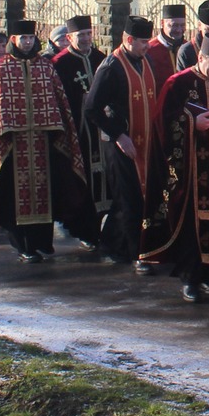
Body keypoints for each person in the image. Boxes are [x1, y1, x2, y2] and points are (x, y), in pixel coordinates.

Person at [0, 20, 90, 263]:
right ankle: (23, 245)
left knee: (45, 192)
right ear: (13, 40)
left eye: (30, 38)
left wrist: (60, 133)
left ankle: (42, 242)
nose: (27, 42)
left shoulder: (45, 67)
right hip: (12, 146)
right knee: (14, 196)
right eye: (22, 38)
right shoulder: (0, 68)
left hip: (43, 142)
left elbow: (60, 103)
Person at [144, 31, 209, 301]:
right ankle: (190, 278)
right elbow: (162, 123)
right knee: (190, 225)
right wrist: (191, 124)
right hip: (188, 171)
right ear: (201, 57)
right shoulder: (178, 84)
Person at [91, 16, 162, 270]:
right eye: (144, 42)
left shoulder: (145, 60)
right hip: (120, 143)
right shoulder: (111, 66)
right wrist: (119, 135)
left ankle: (111, 243)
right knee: (129, 197)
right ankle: (137, 255)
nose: (148, 46)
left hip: (145, 141)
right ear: (129, 40)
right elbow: (92, 108)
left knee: (132, 198)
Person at [50, 14, 108, 247]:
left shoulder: (100, 58)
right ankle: (83, 228)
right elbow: (56, 100)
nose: (85, 39)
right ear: (69, 37)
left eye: (88, 34)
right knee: (79, 180)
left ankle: (102, 225)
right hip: (76, 132)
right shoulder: (59, 64)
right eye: (80, 35)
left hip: (100, 131)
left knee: (105, 179)